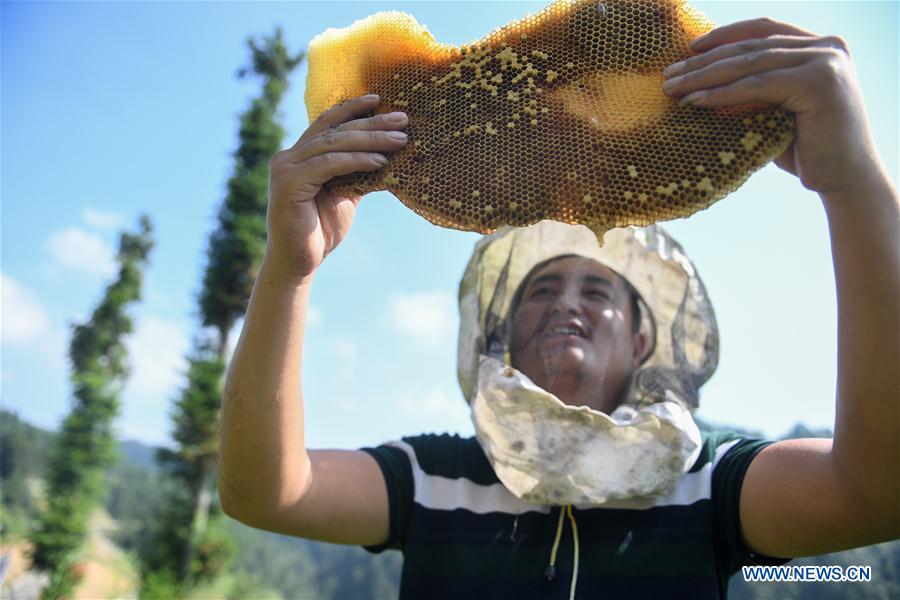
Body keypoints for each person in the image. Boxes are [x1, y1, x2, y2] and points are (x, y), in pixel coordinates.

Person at [218, 17, 899, 599]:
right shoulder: (435, 480)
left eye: (598, 291)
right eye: (540, 288)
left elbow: (879, 491)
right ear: (499, 333)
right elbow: (265, 492)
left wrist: (852, 177)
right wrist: (289, 269)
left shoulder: (710, 483)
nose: (566, 304)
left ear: (643, 341)